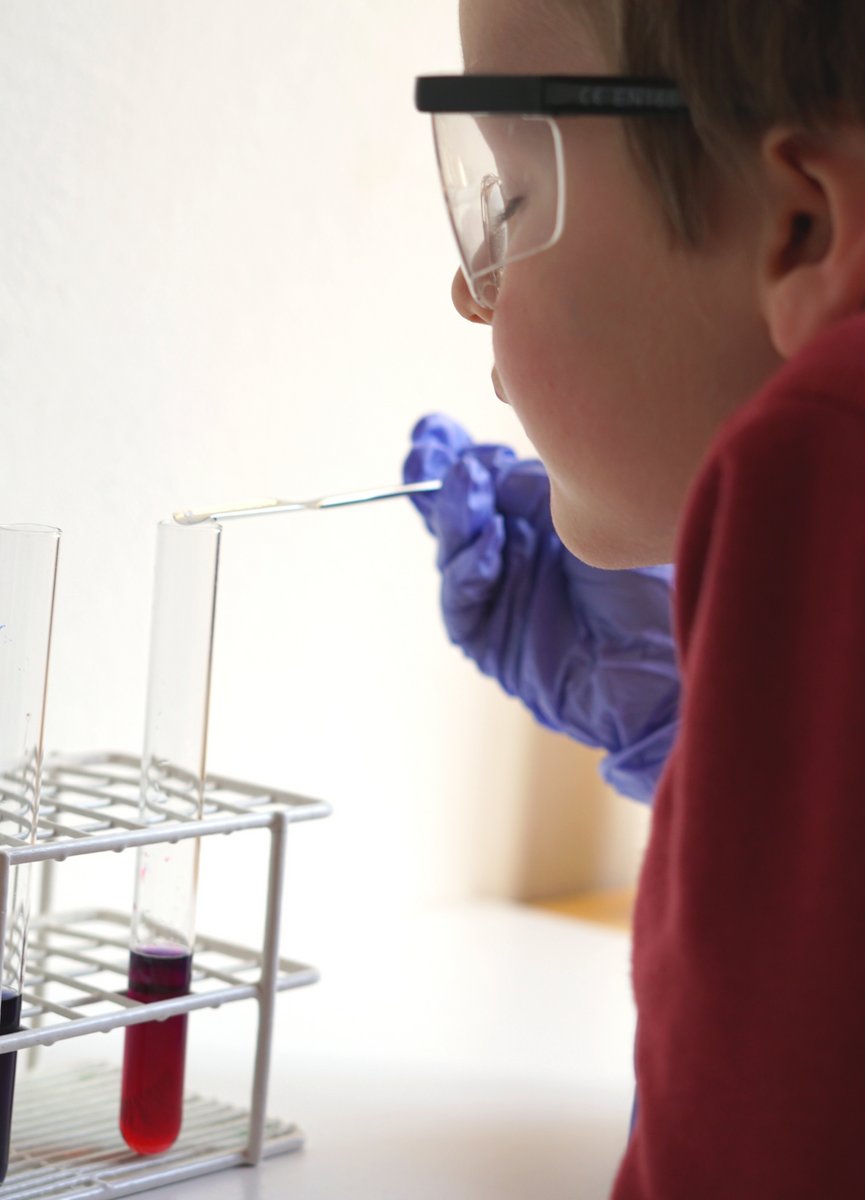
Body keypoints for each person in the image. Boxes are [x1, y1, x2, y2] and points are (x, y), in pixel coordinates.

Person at [405, 0, 865, 1195]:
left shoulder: (824, 459)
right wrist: (718, 743)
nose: (472, 285)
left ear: (803, 225)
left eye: (508, 196)